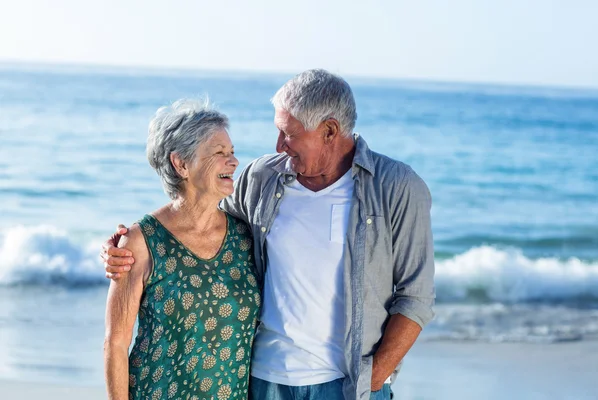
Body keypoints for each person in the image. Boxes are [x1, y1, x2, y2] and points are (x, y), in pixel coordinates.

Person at [103, 69, 435, 400]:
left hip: (348, 386)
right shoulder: (263, 178)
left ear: (330, 130)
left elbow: (416, 298)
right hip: (266, 383)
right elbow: (195, 211)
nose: (278, 145)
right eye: (277, 132)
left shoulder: (396, 187)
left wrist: (372, 379)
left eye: (288, 133)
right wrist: (127, 243)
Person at [103, 99, 260, 400]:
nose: (233, 161)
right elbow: (116, 344)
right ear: (182, 164)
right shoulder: (142, 241)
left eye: (232, 152)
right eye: (219, 153)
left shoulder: (245, 236)